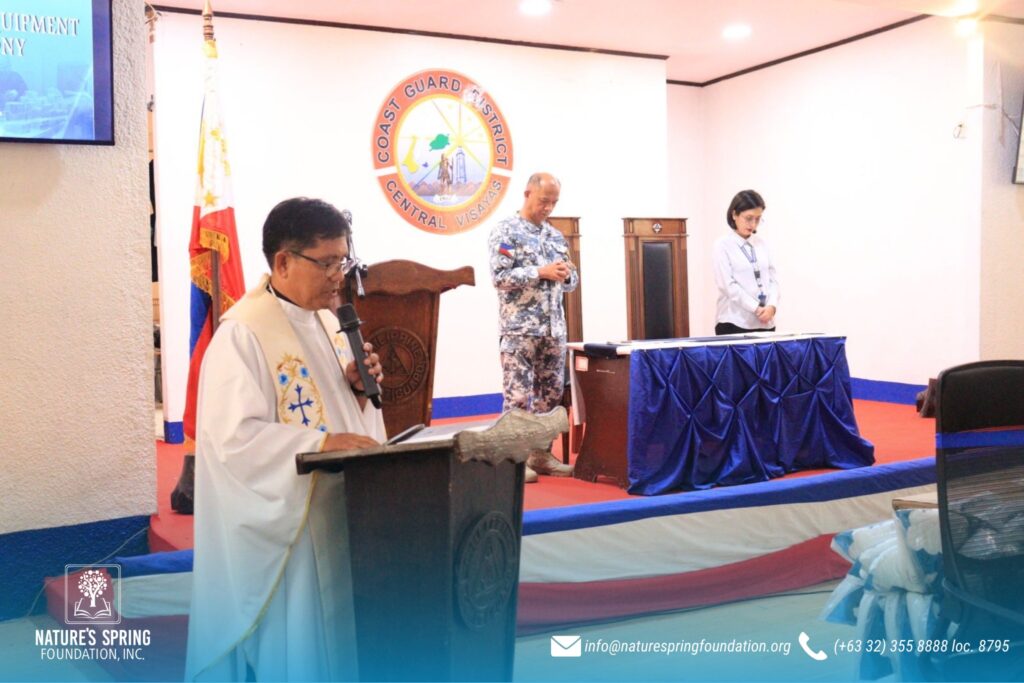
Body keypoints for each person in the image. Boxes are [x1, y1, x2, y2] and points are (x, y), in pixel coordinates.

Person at [185, 197, 386, 681]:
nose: (338, 277)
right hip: (292, 529)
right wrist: (317, 446)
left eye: (343, 262)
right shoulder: (242, 335)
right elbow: (232, 441)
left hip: (340, 510)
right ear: (283, 262)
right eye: (327, 263)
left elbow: (341, 417)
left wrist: (358, 392)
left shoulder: (328, 321)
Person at [488, 172, 577, 483]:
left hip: (553, 330)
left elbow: (571, 282)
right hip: (520, 330)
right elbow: (500, 277)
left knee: (550, 397)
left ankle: (541, 455)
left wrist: (566, 274)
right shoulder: (506, 232)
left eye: (554, 202)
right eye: (543, 201)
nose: (548, 208)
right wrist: (540, 271)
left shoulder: (555, 237)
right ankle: (514, 460)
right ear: (527, 194)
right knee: (518, 398)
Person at [713, 189, 780, 335]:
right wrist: (756, 308)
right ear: (734, 214)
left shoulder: (763, 244)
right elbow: (727, 286)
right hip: (734, 322)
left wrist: (772, 306)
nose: (753, 224)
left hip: (765, 323)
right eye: (749, 218)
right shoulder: (723, 245)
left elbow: (773, 280)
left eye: (758, 219)